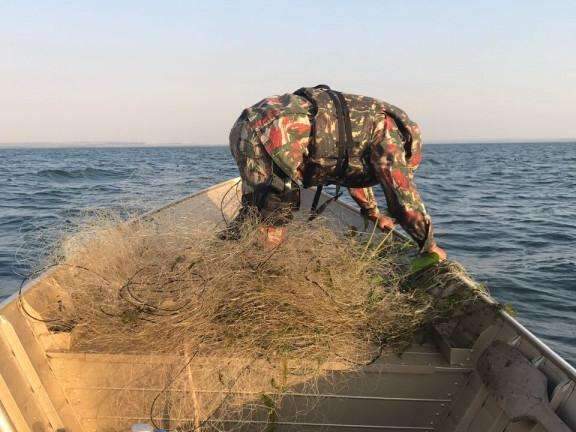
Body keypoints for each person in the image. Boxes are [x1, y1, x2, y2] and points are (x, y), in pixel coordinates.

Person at [226, 85, 446, 261]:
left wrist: (372, 212)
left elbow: (351, 166)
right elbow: (403, 199)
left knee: (255, 208)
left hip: (249, 125)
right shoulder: (392, 139)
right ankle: (262, 281)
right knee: (273, 215)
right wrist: (429, 245)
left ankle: (226, 250)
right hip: (270, 132)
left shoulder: (374, 122)